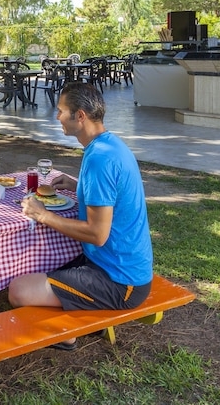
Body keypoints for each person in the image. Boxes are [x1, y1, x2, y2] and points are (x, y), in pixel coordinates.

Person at [8, 83, 153, 349]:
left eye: (61, 111)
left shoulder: (101, 158)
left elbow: (98, 234)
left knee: (19, 290)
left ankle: (69, 331)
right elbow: (114, 192)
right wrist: (78, 186)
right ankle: (77, 309)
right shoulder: (108, 145)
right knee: (37, 263)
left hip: (121, 281)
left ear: (80, 116)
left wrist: (42, 215)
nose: (57, 116)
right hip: (112, 267)